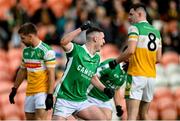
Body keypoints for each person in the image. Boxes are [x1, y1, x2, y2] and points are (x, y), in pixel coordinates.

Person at [104, 3, 162, 120]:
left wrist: (115, 62)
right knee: (144, 115)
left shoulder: (135, 28)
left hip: (136, 75)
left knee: (131, 116)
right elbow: (158, 58)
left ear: (140, 14)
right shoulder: (156, 32)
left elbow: (130, 51)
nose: (129, 18)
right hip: (150, 76)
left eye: (131, 14)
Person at [52, 21, 114, 120]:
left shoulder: (96, 58)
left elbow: (92, 76)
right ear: (95, 38)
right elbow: (63, 42)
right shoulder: (77, 50)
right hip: (64, 98)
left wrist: (104, 89)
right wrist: (81, 29)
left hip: (81, 100)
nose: (104, 42)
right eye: (103, 38)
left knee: (102, 119)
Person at [9, 23, 56, 120]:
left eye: (23, 38)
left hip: (42, 92)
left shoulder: (47, 50)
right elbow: (22, 71)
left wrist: (50, 95)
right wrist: (14, 89)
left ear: (30, 37)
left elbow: (52, 74)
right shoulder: (26, 51)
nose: (21, 41)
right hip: (30, 91)